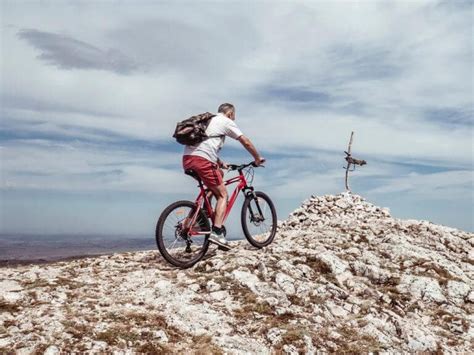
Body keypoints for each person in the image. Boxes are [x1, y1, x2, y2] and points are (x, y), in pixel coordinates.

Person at [182, 103, 265, 250]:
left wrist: (220, 163)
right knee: (223, 195)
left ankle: (198, 217)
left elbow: (203, 146)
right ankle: (217, 232)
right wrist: (257, 158)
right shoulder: (226, 121)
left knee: (217, 176)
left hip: (188, 159)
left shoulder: (207, 121)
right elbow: (245, 141)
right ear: (230, 114)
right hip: (203, 161)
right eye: (234, 116)